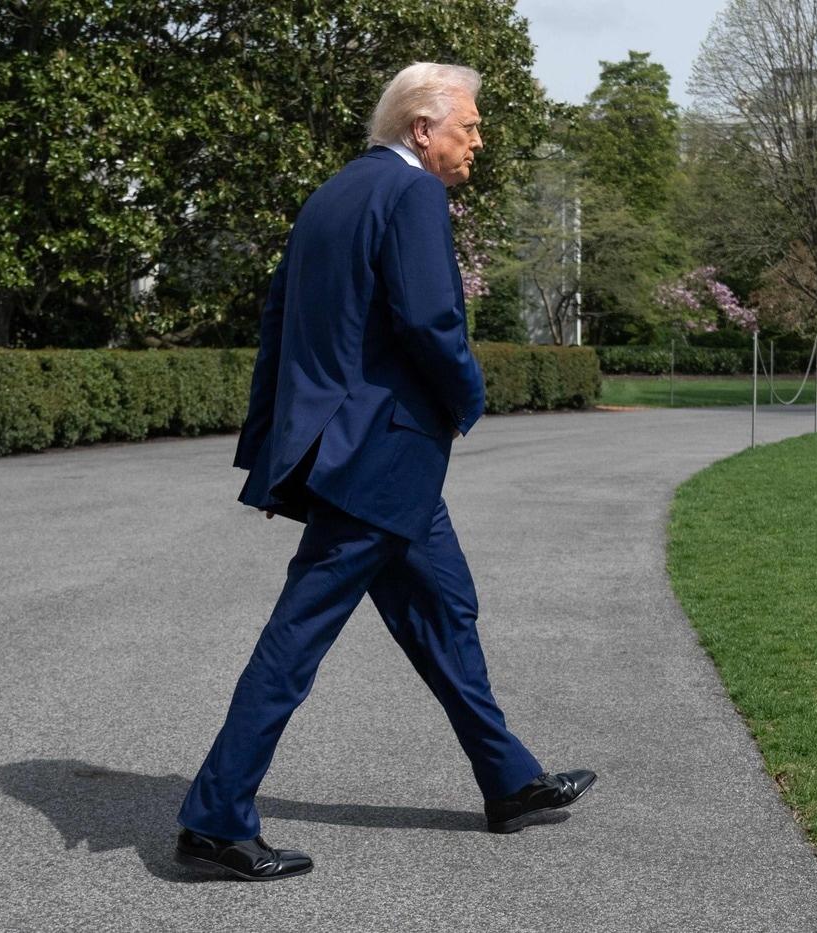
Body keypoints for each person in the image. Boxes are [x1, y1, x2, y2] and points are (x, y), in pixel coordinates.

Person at [174, 62, 595, 882]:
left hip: (368, 459)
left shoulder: (330, 195)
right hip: (380, 458)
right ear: (421, 129)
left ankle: (509, 779)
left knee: (446, 608)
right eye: (468, 126)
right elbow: (431, 320)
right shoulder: (413, 193)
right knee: (297, 636)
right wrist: (470, 397)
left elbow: (279, 325)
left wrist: (275, 448)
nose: (477, 141)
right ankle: (214, 820)